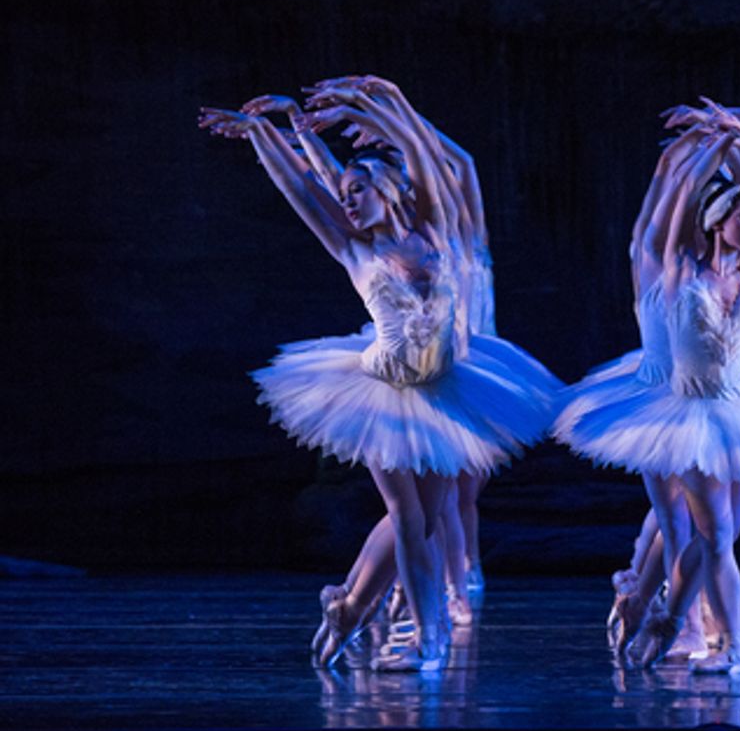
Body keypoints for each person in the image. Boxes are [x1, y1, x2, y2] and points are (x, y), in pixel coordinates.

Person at [198, 81, 553, 671]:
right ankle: (427, 640)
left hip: (445, 390)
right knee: (410, 518)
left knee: (428, 518)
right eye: (344, 194)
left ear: (387, 189)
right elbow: (300, 187)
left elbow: (426, 153)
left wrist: (382, 100)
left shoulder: (437, 232)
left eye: (357, 190)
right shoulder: (355, 250)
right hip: (383, 393)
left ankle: (351, 607)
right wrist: (264, 133)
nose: (347, 201)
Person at [565, 104, 740, 675]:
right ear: (717, 221)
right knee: (707, 535)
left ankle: (676, 618)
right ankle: (705, 635)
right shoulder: (679, 272)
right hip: (690, 415)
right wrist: (710, 145)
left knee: (718, 538)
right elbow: (667, 212)